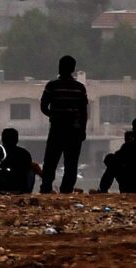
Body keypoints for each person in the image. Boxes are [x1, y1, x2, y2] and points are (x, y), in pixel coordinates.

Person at [38, 54, 89, 194]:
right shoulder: (80, 88)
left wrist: (54, 116)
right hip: (74, 130)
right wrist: (83, 129)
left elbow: (43, 106)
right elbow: (84, 111)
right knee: (71, 163)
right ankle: (66, 189)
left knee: (51, 161)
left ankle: (46, 187)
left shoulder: (52, 86)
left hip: (57, 129)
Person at [0, 128, 41, 194]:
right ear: (17, 140)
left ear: (2, 139)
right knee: (31, 170)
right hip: (20, 188)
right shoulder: (24, 153)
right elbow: (33, 166)